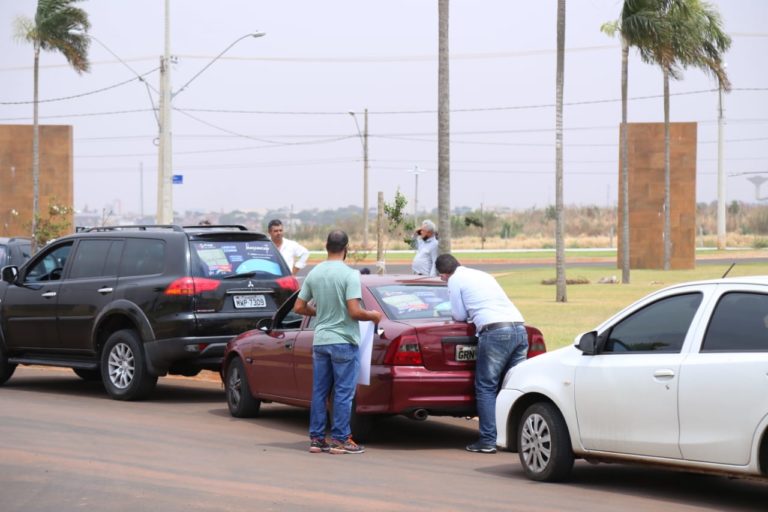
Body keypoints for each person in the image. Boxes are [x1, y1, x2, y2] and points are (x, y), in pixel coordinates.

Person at [293, 230, 382, 455]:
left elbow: (299, 307)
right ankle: (340, 440)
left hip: (321, 340)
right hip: (343, 340)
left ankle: (316, 439)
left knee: (320, 391)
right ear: (346, 248)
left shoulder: (315, 272)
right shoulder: (349, 275)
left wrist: (320, 312)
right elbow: (354, 311)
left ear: (326, 247)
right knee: (343, 393)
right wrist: (372, 315)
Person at [435, 253, 528, 454]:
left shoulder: (454, 280)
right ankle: (513, 439)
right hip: (520, 328)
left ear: (443, 275)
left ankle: (487, 440)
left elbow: (459, 314)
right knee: (512, 386)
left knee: (486, 386)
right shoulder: (482, 275)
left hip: (495, 332)